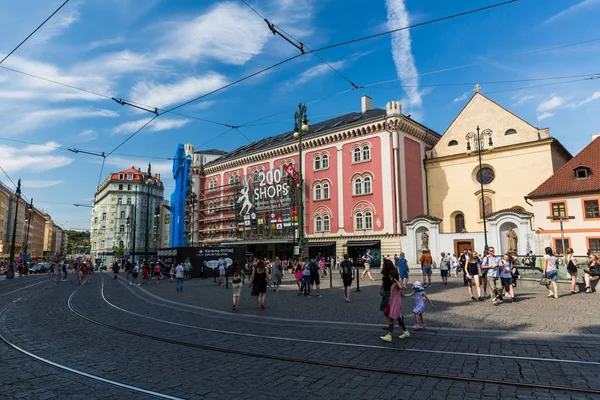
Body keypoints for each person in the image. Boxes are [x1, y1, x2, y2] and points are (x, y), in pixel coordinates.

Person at [380, 270, 410, 342]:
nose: (390, 278)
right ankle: (406, 332)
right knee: (399, 318)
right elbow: (400, 292)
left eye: (390, 276)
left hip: (395, 303)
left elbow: (401, 287)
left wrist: (396, 280)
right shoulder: (393, 284)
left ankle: (389, 335)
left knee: (392, 318)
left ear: (392, 277)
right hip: (393, 302)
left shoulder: (397, 283)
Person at [380, 259, 395, 329]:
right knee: (391, 308)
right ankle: (391, 322)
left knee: (386, 308)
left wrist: (381, 289)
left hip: (387, 292)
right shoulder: (390, 273)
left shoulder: (388, 274)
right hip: (391, 292)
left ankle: (389, 323)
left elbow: (383, 282)